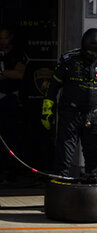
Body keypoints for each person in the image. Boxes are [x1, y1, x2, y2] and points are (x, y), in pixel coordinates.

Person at [41, 28, 97, 180]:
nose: (92, 55)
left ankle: (92, 193)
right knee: (64, 156)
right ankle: (60, 191)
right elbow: (53, 86)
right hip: (70, 114)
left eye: (96, 52)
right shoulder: (68, 60)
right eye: (89, 52)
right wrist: (47, 109)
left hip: (94, 116)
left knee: (94, 158)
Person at [0, 26, 27, 183]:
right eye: (0, 38)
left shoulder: (17, 54)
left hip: (10, 101)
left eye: (5, 38)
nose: (3, 42)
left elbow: (20, 73)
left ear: (11, 38)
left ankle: (12, 173)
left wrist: (3, 73)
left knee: (11, 138)